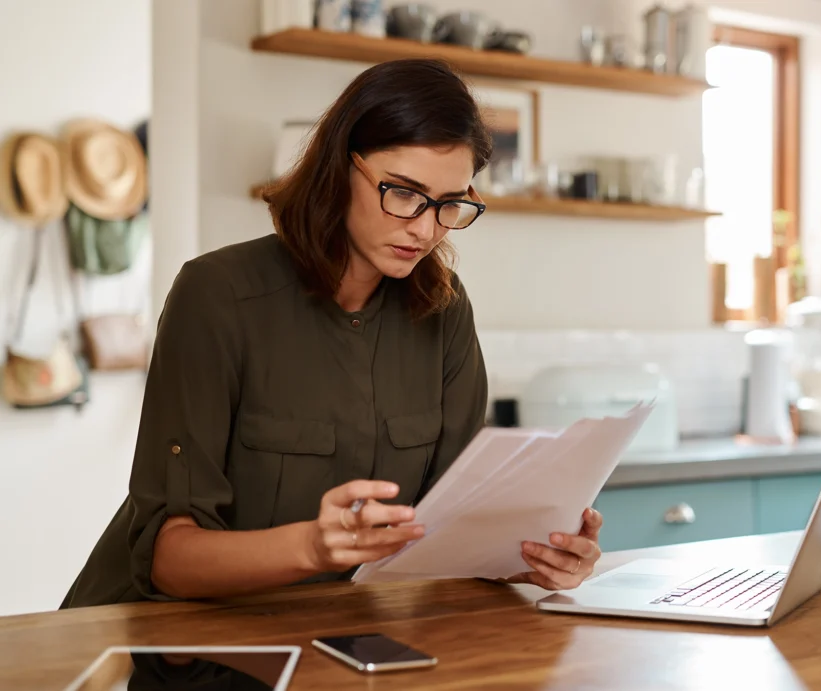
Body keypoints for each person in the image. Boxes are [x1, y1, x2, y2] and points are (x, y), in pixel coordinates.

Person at [61, 58, 604, 608]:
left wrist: (534, 561)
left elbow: (452, 532)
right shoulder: (217, 296)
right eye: (404, 193)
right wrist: (312, 548)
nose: (424, 227)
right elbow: (167, 561)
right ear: (338, 167)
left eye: (449, 205)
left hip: (347, 637)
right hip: (165, 652)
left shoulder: (444, 309)